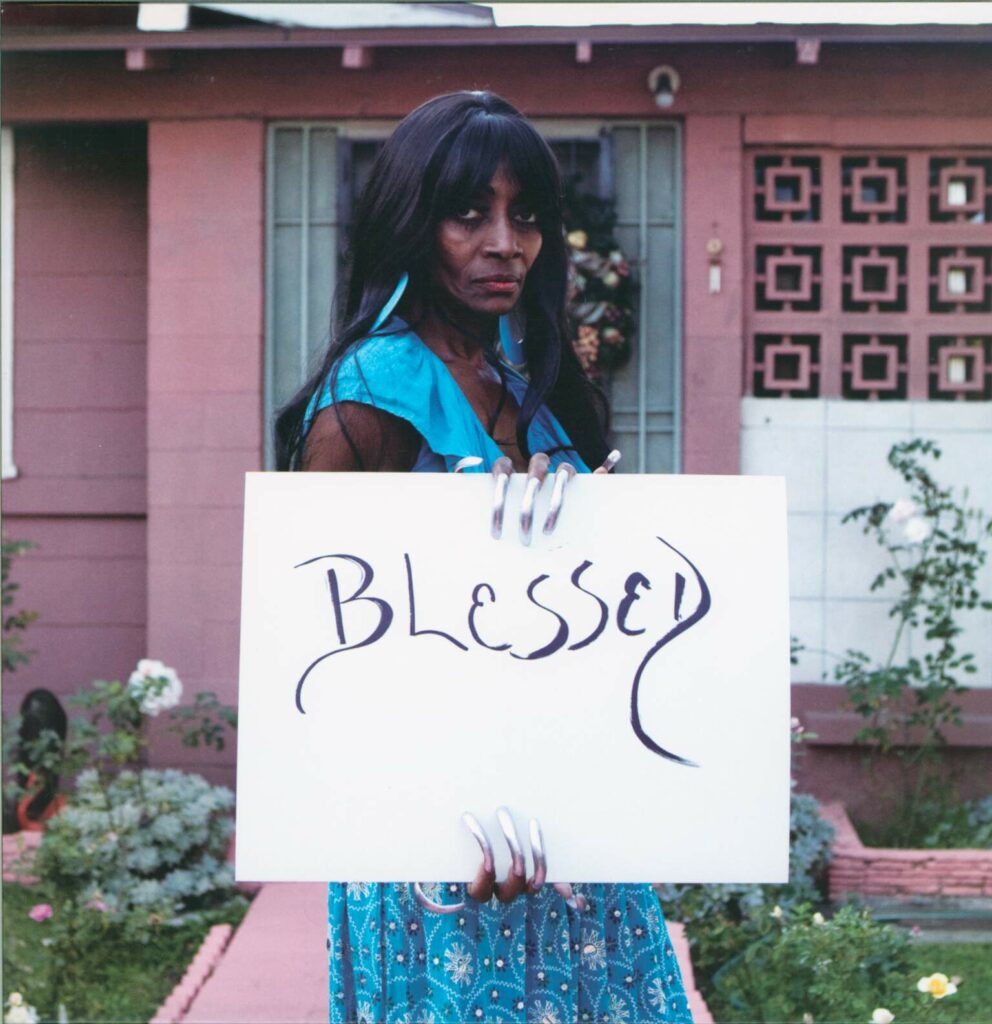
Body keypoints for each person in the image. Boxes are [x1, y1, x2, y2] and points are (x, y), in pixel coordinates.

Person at [275, 91, 693, 1024]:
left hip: (567, 831)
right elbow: (321, 662)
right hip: (443, 857)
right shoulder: (367, 402)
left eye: (528, 215)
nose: (506, 241)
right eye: (471, 214)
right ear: (412, 223)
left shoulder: (529, 380)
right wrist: (432, 818)